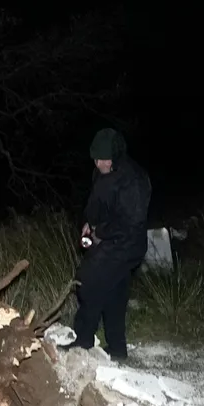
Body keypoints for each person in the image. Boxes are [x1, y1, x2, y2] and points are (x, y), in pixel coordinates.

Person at [70, 128, 151, 362]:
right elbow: (96, 203)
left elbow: (131, 222)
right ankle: (116, 349)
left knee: (89, 282)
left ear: (115, 156)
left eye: (103, 158)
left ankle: (83, 341)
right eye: (95, 158)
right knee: (114, 291)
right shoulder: (102, 173)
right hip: (107, 239)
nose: (99, 163)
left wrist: (100, 232)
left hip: (126, 245)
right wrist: (88, 223)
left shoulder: (133, 180)